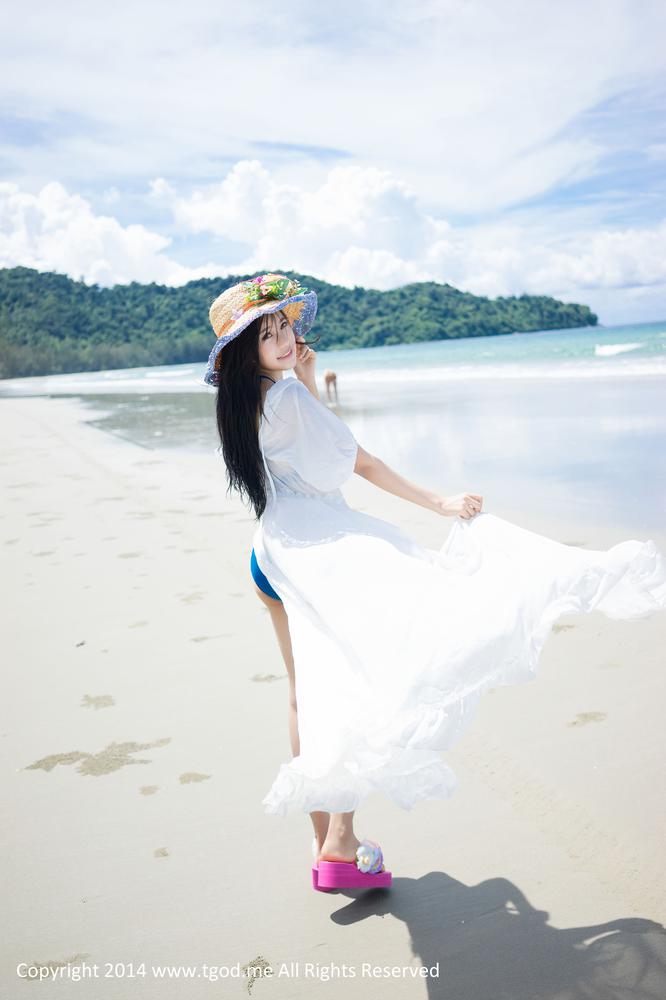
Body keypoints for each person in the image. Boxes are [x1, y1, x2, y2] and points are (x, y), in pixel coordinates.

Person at [203, 272, 666, 892]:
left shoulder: (244, 404)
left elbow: (304, 456)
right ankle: (339, 841)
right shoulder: (287, 397)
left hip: (271, 554)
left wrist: (304, 383)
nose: (286, 339)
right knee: (367, 677)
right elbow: (355, 461)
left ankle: (324, 846)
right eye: (269, 334)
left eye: (285, 325)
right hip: (318, 552)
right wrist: (439, 503)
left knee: (304, 693)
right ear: (245, 350)